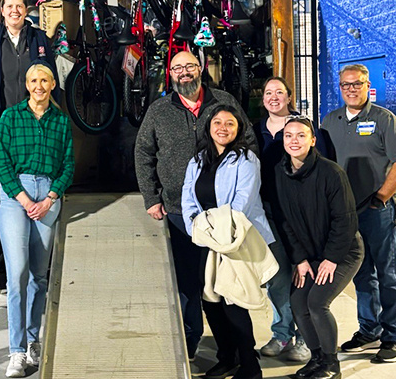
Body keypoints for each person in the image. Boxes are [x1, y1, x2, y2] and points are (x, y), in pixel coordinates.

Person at [134, 51, 256, 361]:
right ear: (170, 74)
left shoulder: (222, 101)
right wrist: (151, 198)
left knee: (223, 284)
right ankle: (189, 342)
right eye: (178, 68)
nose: (184, 73)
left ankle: (236, 349)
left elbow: (249, 140)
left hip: (223, 217)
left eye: (189, 66)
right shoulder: (159, 110)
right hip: (178, 213)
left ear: (200, 69)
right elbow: (143, 153)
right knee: (189, 284)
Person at [321, 64, 396, 363]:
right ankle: (369, 329)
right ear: (340, 87)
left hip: (379, 211)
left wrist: (381, 197)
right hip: (346, 213)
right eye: (345, 85)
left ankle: (392, 336)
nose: (351, 89)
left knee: (388, 275)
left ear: (367, 85)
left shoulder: (384, 119)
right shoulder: (330, 121)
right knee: (362, 274)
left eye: (356, 84)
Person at [181, 105, 274, 379]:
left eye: (230, 123)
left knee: (233, 301)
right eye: (217, 122)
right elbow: (188, 199)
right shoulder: (198, 161)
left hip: (236, 241)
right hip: (206, 241)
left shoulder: (246, 161)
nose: (223, 128)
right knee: (210, 300)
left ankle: (249, 365)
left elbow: (240, 206)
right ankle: (227, 357)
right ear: (209, 128)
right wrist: (197, 230)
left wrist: (213, 231)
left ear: (238, 129)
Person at [0, 62, 74, 378]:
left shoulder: (61, 122)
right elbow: (1, 161)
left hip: (48, 195)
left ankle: (32, 341)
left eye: (44, 80)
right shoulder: (11, 117)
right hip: (16, 196)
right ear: (26, 85)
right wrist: (25, 199)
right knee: (19, 274)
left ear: (53, 84)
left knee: (40, 275)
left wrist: (50, 198)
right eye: (33, 80)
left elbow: (68, 164)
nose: (39, 85)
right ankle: (16, 351)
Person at [275, 117, 364, 379]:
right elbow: (284, 220)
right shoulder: (281, 173)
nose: (294, 140)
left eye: (301, 136)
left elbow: (345, 220)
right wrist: (300, 259)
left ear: (313, 140)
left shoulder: (331, 173)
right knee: (297, 301)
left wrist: (331, 258)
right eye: (289, 136)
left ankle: (331, 364)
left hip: (343, 251)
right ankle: (316, 359)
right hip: (310, 254)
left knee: (317, 302)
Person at [252, 77, 317, 362]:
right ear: (263, 99)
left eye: (280, 92)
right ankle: (281, 333)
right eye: (268, 92)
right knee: (276, 277)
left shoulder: (303, 129)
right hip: (268, 213)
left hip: (301, 213)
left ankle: (304, 338)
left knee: (303, 275)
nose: (274, 97)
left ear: (289, 97)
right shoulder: (254, 131)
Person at [0, 0, 59, 121]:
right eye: (9, 6)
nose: (15, 10)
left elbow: (52, 78)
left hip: (34, 118)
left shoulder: (39, 38)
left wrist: (53, 114)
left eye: (19, 6)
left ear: (25, 10)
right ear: (2, 11)